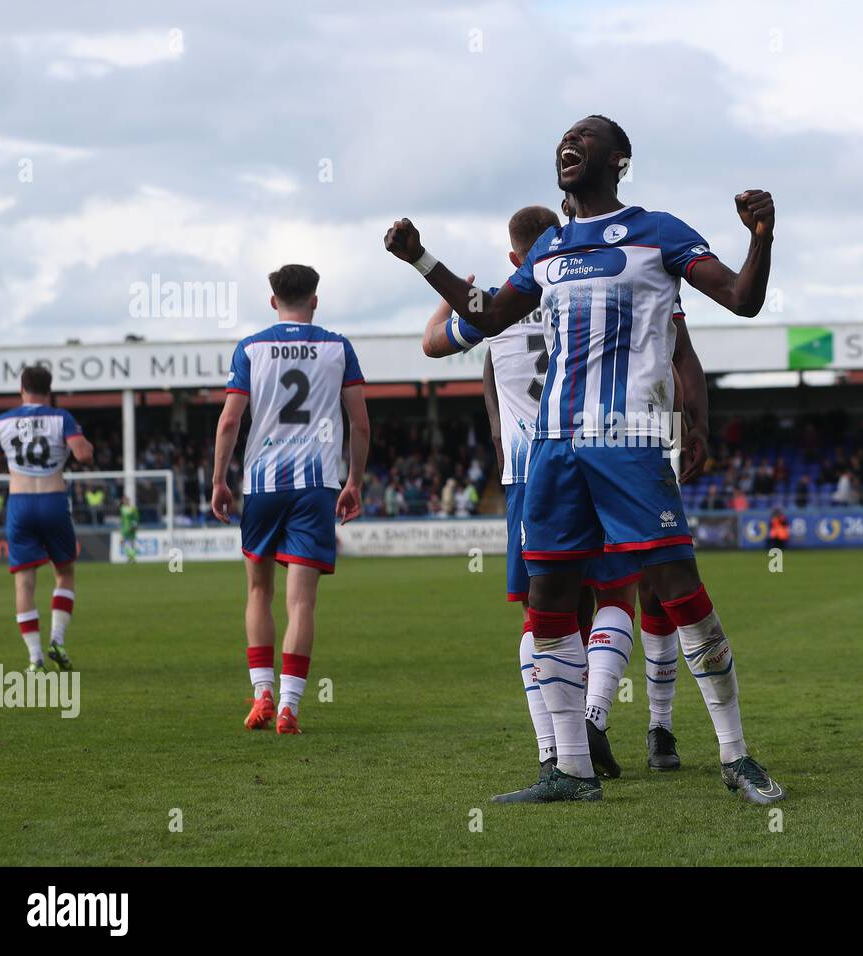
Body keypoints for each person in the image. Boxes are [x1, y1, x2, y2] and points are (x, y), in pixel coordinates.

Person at [386, 115, 782, 804]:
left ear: (618, 159)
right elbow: (485, 316)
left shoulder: (659, 231)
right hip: (552, 446)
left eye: (585, 137)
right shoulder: (549, 246)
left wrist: (761, 238)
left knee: (679, 591)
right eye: (563, 138)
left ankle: (737, 755)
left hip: (627, 439)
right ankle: (569, 769)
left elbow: (742, 300)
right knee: (549, 603)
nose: (568, 144)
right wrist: (424, 260)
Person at [414, 201, 709, 794]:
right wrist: (691, 427)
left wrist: (453, 288)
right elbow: (678, 353)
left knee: (545, 613)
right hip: (608, 447)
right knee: (622, 592)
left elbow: (433, 344)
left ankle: (556, 752)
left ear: (512, 255)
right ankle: (613, 718)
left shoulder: (496, 307)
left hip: (533, 470)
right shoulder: (600, 279)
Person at [211, 265, 370, 735]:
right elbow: (360, 423)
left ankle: (261, 693)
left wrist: (219, 480)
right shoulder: (338, 347)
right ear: (315, 300)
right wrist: (354, 481)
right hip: (316, 483)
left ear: (272, 299)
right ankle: (289, 707)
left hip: (261, 483)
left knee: (258, 590)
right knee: (302, 603)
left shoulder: (251, 348)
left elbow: (228, 421)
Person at [0, 366, 94, 672]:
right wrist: (85, 447)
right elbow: (83, 454)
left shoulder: (3, 421)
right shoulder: (61, 418)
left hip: (19, 504)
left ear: (21, 389)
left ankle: (34, 658)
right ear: (49, 391)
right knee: (65, 573)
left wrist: (4, 461)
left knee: (24, 585)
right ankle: (57, 639)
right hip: (53, 500)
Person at [119, 495, 140, 563]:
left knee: (132, 542)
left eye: (126, 500)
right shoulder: (122, 508)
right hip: (124, 527)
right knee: (122, 542)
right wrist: (121, 526)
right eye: (124, 500)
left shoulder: (133, 508)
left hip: (131, 527)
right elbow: (122, 518)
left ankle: (132, 558)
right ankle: (130, 556)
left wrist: (134, 525)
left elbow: (136, 518)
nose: (125, 501)